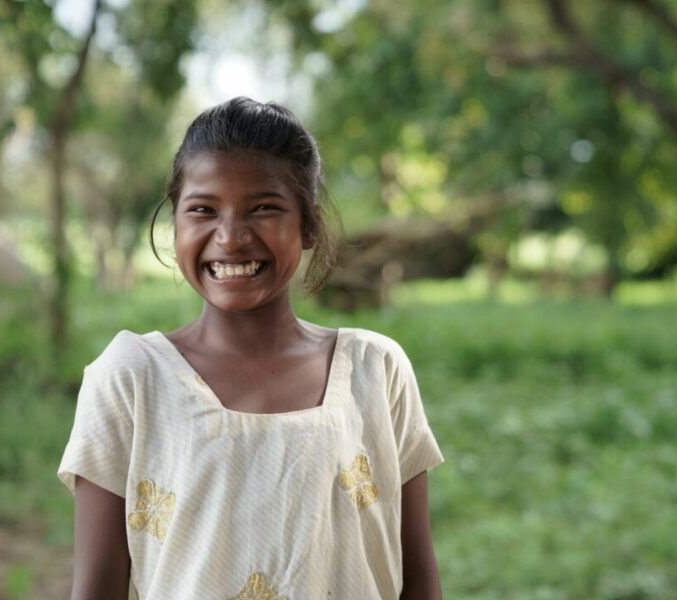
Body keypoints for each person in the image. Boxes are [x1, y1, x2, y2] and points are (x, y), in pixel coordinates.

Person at [58, 97, 444, 600]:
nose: (232, 236)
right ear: (175, 223)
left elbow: (418, 576)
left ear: (308, 224)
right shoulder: (131, 377)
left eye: (263, 208)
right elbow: (96, 587)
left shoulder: (376, 370)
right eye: (202, 210)